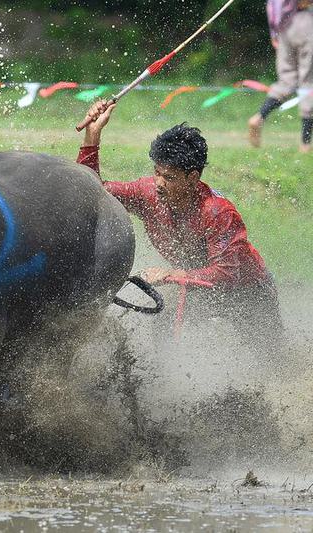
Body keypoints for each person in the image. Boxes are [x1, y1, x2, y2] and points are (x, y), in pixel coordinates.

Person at [77, 101, 285, 351]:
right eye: (157, 172)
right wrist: (93, 136)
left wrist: (170, 275)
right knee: (163, 322)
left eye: (170, 177)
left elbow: (229, 273)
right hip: (195, 287)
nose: (159, 183)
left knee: (271, 359)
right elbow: (92, 190)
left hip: (247, 291)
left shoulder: (217, 212)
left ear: (193, 177)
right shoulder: (147, 193)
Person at [248, 0, 313, 153]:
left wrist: (274, 33)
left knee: (286, 82)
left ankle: (259, 117)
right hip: (305, 23)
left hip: (284, 27)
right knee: (309, 82)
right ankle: (305, 144)